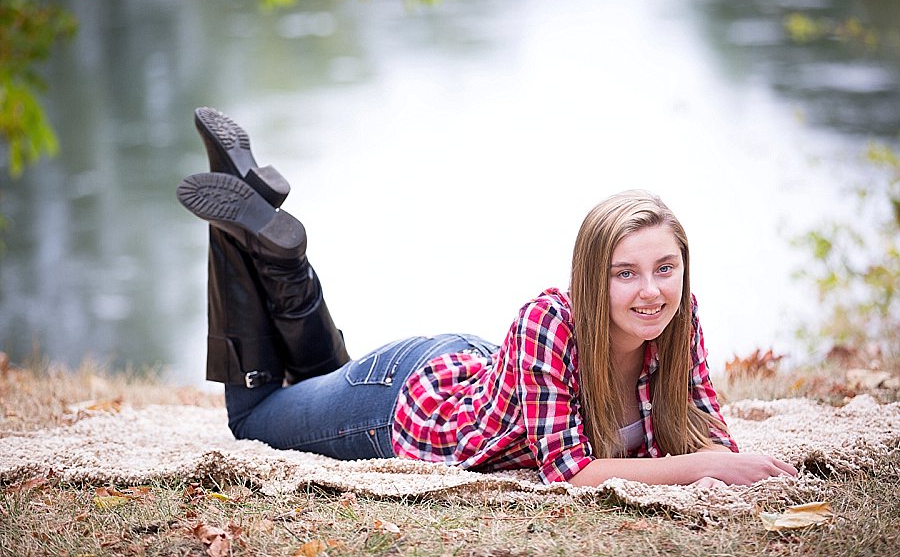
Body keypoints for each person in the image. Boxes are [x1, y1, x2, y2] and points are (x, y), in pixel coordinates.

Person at [177, 107, 798, 488]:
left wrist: (723, 458)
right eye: (626, 273)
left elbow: (706, 425)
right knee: (255, 416)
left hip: (477, 367)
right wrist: (703, 468)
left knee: (315, 380)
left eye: (666, 268)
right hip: (405, 407)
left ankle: (267, 235)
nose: (653, 291)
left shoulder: (678, 317)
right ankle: (253, 243)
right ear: (590, 278)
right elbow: (573, 475)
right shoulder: (550, 322)